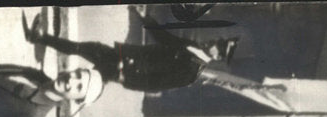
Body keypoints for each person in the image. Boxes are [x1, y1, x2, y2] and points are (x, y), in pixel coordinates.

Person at [22, 11, 236, 94]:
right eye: (219, 39)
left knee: (83, 83)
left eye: (219, 45)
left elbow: (155, 84)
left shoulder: (191, 72)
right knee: (85, 48)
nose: (215, 41)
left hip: (125, 70)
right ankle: (40, 38)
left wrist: (126, 80)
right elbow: (163, 38)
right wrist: (146, 18)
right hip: (125, 54)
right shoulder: (193, 47)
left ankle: (43, 88)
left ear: (218, 57)